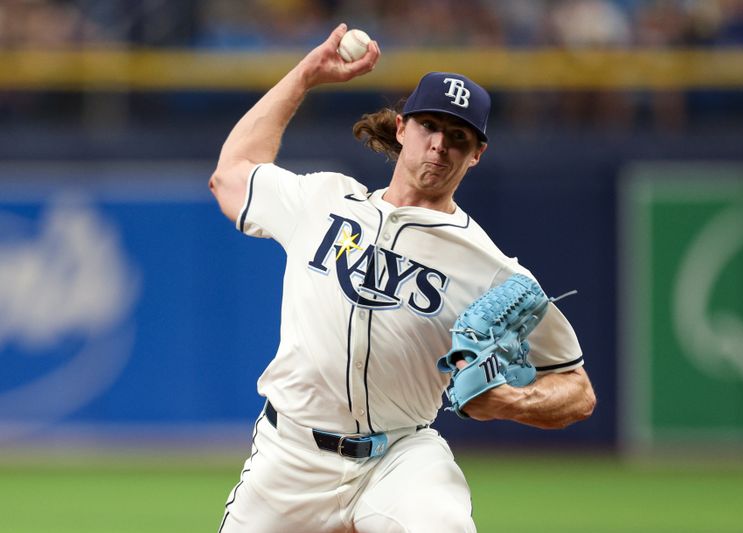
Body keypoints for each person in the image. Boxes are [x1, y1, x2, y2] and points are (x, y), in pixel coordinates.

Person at [209, 23, 596, 533]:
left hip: (399, 456)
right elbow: (233, 172)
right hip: (291, 455)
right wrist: (305, 75)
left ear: (476, 154)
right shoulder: (323, 201)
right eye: (429, 126)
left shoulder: (493, 270)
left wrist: (510, 401)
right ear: (400, 128)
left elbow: (578, 390)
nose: (439, 145)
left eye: (459, 137)